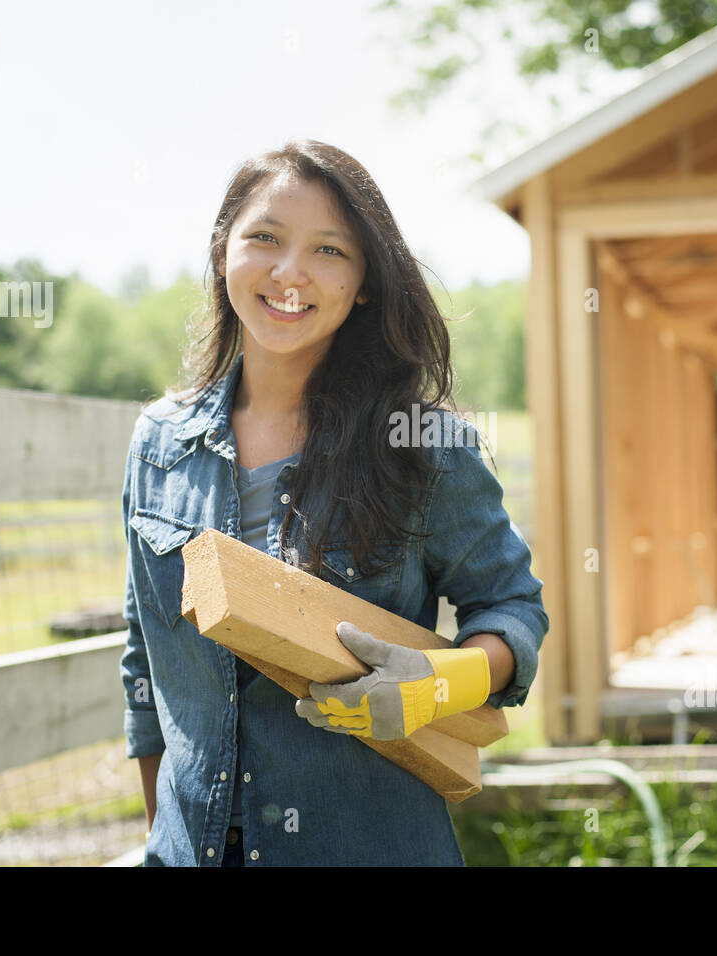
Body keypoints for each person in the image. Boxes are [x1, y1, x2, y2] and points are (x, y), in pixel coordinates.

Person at [120, 139, 548, 866]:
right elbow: (143, 661)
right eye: (265, 238)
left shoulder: (425, 447)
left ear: (365, 284)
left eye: (329, 250)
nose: (291, 272)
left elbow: (513, 609)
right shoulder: (160, 443)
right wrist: (167, 833)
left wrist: (441, 683)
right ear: (224, 251)